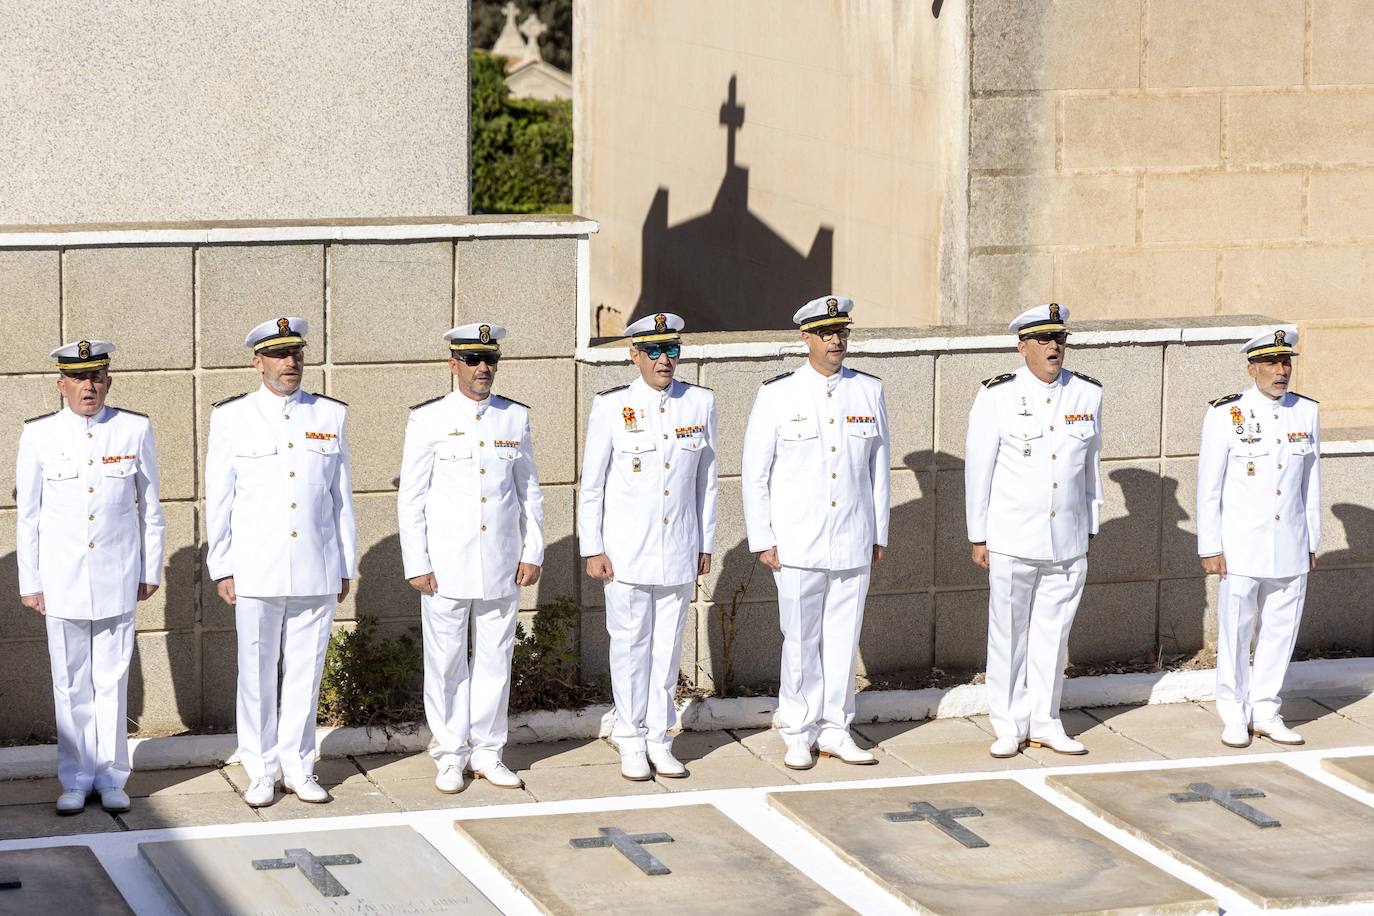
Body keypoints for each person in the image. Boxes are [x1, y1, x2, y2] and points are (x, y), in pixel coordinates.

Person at [205, 317, 356, 807]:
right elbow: (219, 497)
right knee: (255, 672)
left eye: (296, 353)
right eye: (278, 354)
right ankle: (260, 768)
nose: (290, 363)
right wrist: (223, 565)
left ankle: (299, 765)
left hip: (316, 564)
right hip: (256, 567)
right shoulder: (232, 417)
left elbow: (340, 499)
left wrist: (344, 564)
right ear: (258, 362)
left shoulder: (329, 414)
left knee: (306, 672)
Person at [15, 340, 165, 815]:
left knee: (112, 681)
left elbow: (151, 509)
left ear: (108, 381)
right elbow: (29, 516)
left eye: (96, 377)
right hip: (62, 581)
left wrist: (149, 569)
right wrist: (31, 581)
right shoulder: (39, 435)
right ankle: (75, 778)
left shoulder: (133, 429)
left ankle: (112, 776)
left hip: (117, 577)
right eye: (78, 379)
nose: (88, 387)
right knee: (69, 683)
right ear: (61, 385)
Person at [741, 294, 889, 770]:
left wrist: (877, 532)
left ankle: (836, 728)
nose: (835, 340)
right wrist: (763, 537)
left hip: (852, 536)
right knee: (801, 641)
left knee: (843, 640)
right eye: (826, 333)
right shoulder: (778, 394)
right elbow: (755, 472)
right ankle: (798, 730)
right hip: (797, 541)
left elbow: (879, 469)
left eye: (841, 332)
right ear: (806, 338)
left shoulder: (868, 390)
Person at [398, 323, 544, 792]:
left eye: (490, 359)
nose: (483, 368)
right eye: (473, 360)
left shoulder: (514, 417)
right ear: (453, 364)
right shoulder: (429, 419)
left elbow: (529, 492)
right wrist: (417, 562)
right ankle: (449, 753)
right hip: (445, 565)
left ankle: (488, 752)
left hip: (501, 561)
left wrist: (532, 550)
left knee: (496, 661)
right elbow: (412, 498)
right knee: (445, 663)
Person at [578, 312, 717, 781]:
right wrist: (593, 548)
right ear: (634, 355)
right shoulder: (612, 406)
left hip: (678, 549)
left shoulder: (699, 403)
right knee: (630, 647)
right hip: (626, 554)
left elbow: (706, 483)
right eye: (654, 351)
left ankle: (660, 737)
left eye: (671, 349)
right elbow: (593, 485)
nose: (664, 360)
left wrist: (704, 542)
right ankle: (630, 737)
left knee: (667, 650)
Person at [965, 303, 1103, 758]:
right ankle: (1007, 723)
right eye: (1043, 340)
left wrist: (1089, 528)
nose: (1053, 347)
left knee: (1053, 635)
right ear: (1022, 347)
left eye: (1059, 338)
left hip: (1067, 539)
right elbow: (979, 469)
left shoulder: (1086, 394)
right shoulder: (997, 395)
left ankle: (1045, 720)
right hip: (1012, 537)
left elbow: (1090, 468)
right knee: (1008, 634)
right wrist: (978, 535)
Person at [1197, 326, 1319, 748]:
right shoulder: (1226, 414)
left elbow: (1310, 484)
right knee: (1235, 631)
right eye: (1271, 363)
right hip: (1241, 546)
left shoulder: (1306, 412)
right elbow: (1209, 486)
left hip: (1290, 542)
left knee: (1281, 631)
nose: (1281, 371)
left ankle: (1265, 710)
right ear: (1252, 369)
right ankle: (1234, 713)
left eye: (1286, 362)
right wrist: (1210, 545)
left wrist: (1311, 541)